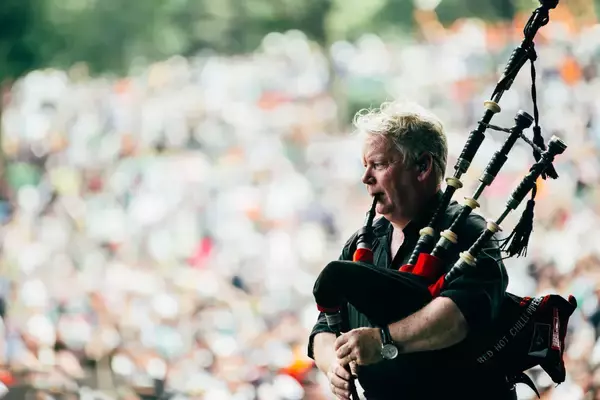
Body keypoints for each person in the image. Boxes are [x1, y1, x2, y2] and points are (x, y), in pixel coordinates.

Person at [307, 101, 517, 399]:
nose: (366, 177)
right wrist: (334, 366)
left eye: (379, 165)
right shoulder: (362, 241)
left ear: (422, 167)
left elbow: (458, 317)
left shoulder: (468, 231)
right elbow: (324, 326)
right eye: (365, 166)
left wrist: (382, 341)